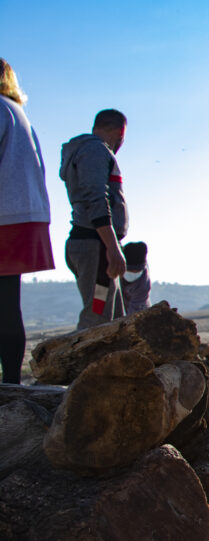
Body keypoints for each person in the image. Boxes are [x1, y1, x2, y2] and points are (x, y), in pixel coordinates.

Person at [0, 58, 55, 384]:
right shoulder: (18, 113)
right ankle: (10, 384)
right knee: (8, 304)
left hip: (4, 215)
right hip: (23, 214)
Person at [59, 109, 128, 329]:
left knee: (115, 319)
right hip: (96, 248)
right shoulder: (95, 151)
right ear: (120, 131)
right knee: (97, 317)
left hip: (95, 245)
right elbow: (96, 199)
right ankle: (80, 362)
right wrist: (112, 247)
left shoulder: (85, 150)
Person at [121, 241, 151, 314]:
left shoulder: (143, 284)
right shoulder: (112, 270)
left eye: (137, 270)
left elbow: (135, 313)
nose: (133, 273)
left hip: (139, 311)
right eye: (129, 270)